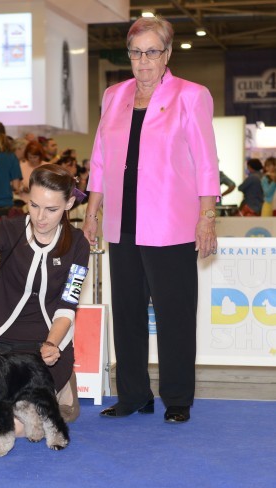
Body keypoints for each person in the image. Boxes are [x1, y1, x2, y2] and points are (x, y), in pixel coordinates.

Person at [82, 15, 220, 424]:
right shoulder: (114, 96)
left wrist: (207, 216)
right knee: (127, 313)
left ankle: (177, 398)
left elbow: (206, 162)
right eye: (136, 53)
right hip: (122, 224)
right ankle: (133, 394)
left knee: (175, 315)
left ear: (167, 54)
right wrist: (91, 211)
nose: (143, 61)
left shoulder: (191, 96)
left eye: (152, 52)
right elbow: (99, 158)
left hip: (171, 225)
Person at [0, 164, 90, 431]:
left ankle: (63, 382)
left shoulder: (78, 244)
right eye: (34, 205)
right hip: (3, 345)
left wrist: (52, 344)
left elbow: (67, 305)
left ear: (69, 204)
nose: (40, 217)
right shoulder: (6, 229)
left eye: (51, 209)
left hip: (47, 348)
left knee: (16, 426)